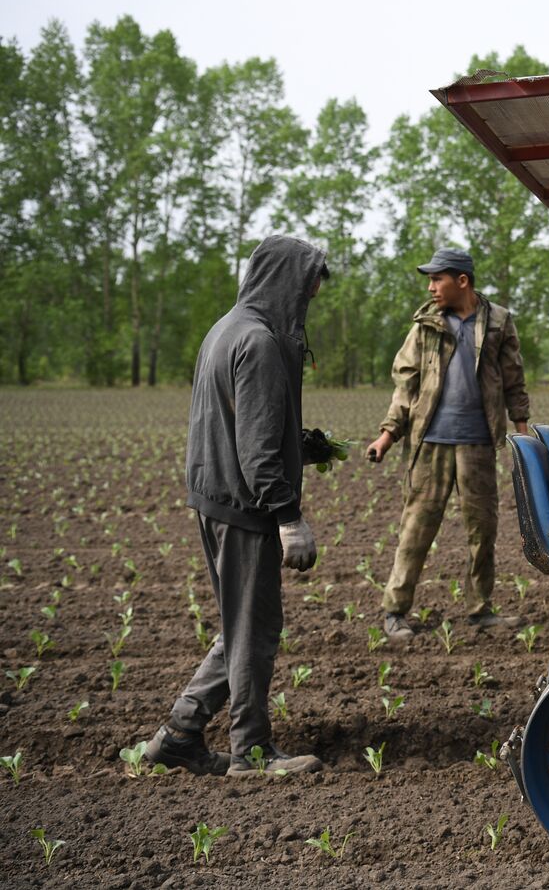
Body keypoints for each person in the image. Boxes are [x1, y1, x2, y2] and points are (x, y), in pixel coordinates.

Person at [144, 235, 328, 778]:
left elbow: (239, 422)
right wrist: (288, 516)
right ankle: (251, 752)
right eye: (307, 292)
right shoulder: (262, 343)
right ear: (286, 284)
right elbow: (256, 449)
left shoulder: (226, 329)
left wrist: (301, 445)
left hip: (214, 496)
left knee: (241, 626)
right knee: (257, 630)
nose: (307, 305)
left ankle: (180, 733)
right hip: (246, 506)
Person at [366, 248, 530, 639]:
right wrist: (387, 435)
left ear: (462, 281)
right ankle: (395, 611)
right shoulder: (424, 326)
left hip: (477, 445)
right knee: (416, 530)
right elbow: (406, 386)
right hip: (431, 444)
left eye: (437, 279)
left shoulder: (498, 322)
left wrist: (523, 432)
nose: (431, 287)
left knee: (482, 530)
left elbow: (513, 380)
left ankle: (479, 610)